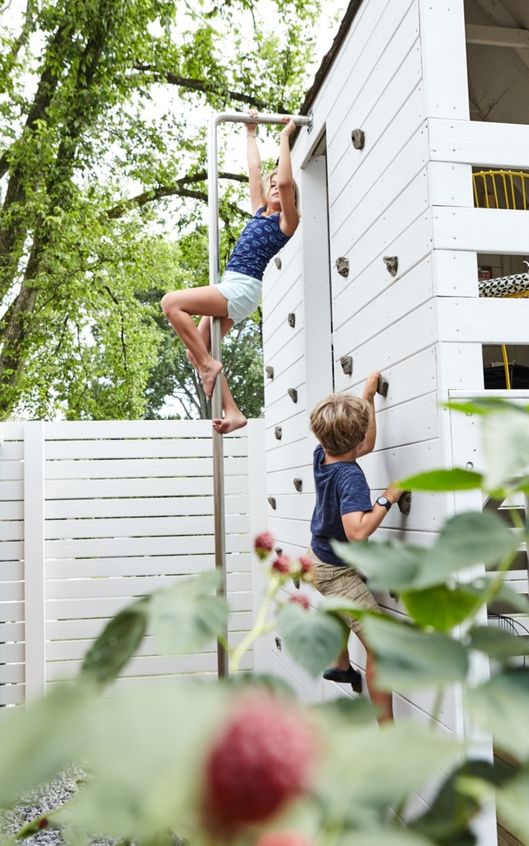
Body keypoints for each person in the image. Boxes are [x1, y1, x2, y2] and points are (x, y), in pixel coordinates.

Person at [161, 112, 300, 434]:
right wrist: (250, 134)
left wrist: (284, 138)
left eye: (284, 185)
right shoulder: (259, 212)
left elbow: (283, 180)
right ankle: (233, 411)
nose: (277, 186)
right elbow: (254, 172)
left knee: (171, 303)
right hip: (234, 288)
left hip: (242, 288)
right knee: (196, 349)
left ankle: (210, 366)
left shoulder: (286, 223)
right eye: (273, 185)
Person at [307, 372, 402, 723]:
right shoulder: (351, 477)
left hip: (319, 555)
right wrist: (386, 499)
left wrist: (368, 398)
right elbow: (357, 532)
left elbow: (366, 443)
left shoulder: (323, 453)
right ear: (355, 436)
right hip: (337, 570)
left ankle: (340, 664)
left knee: (342, 607)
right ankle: (387, 727)